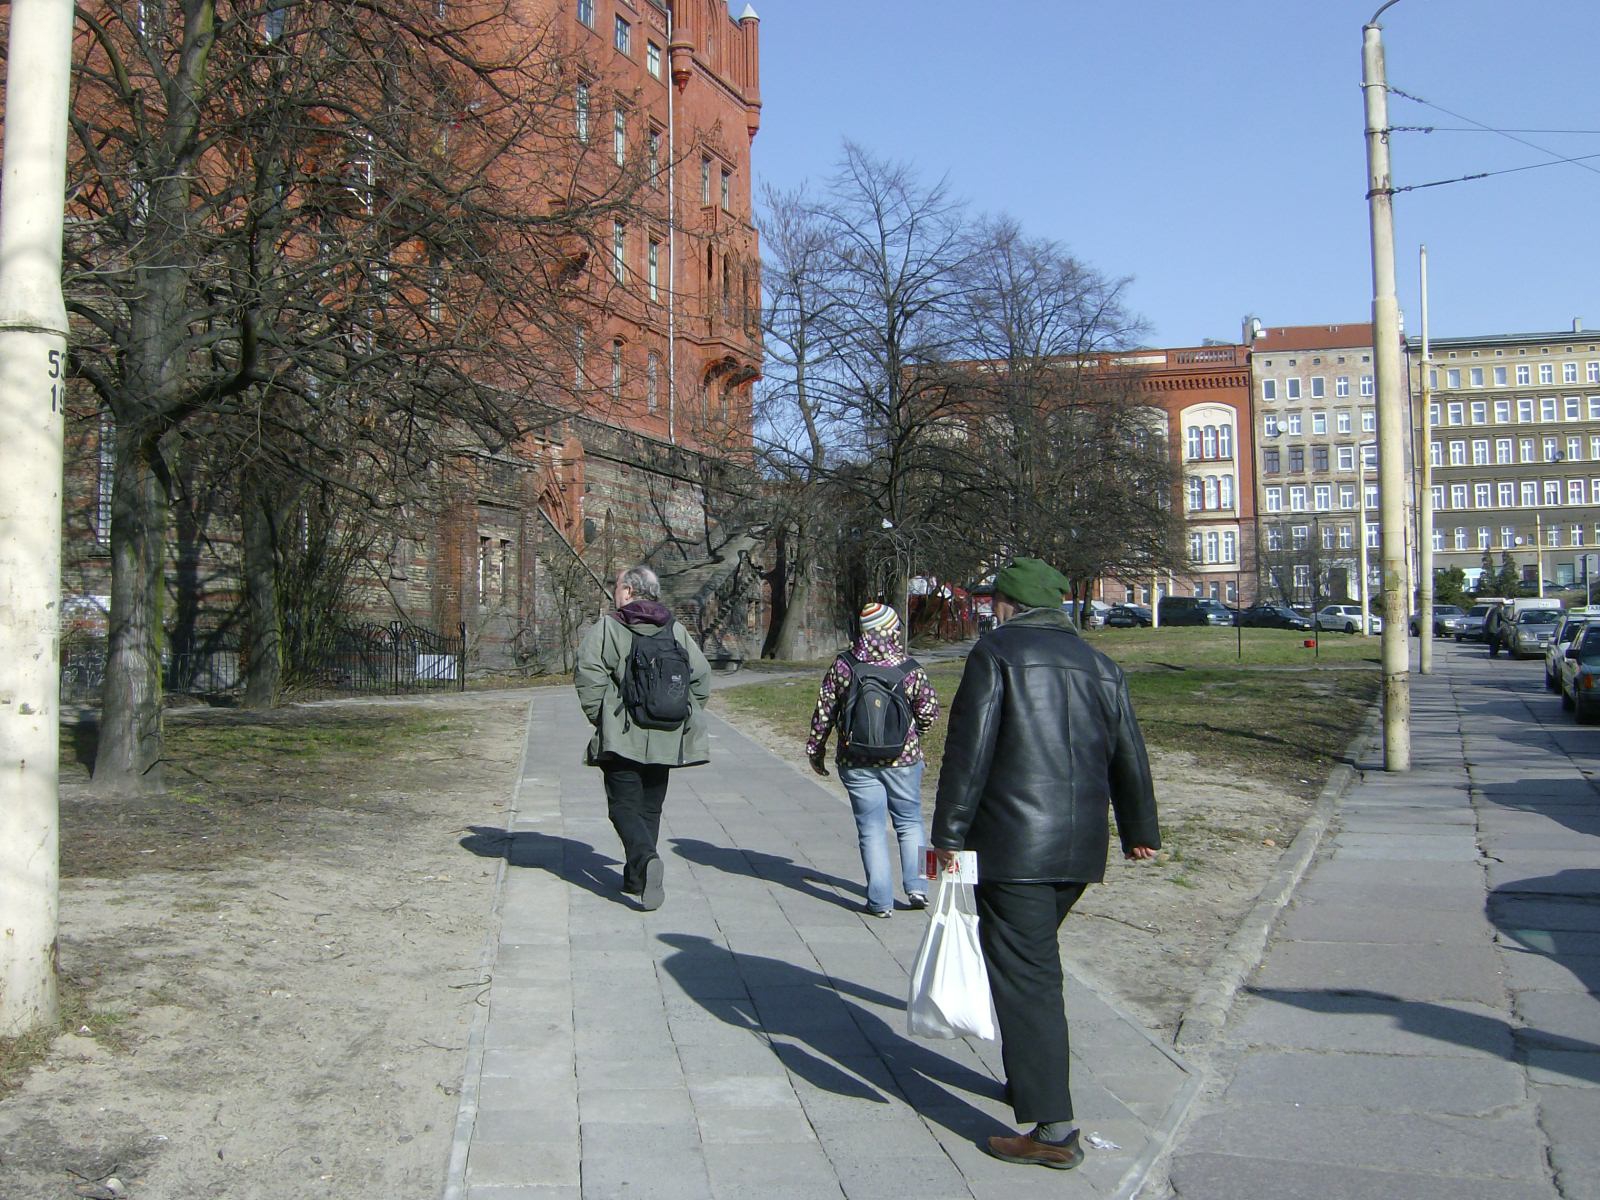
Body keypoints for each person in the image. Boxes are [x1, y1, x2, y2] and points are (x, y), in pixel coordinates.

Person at [930, 556, 1159, 1171]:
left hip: (1012, 849)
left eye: (994, 600)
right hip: (1078, 851)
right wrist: (1141, 829)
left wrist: (946, 834)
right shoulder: (1102, 665)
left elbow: (968, 751)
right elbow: (1128, 753)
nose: (991, 609)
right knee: (1026, 964)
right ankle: (1028, 1080)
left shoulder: (997, 653)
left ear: (1008, 603)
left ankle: (1053, 1129)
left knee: (1029, 977)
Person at [574, 564, 712, 911]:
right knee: (650, 807)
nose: (615, 594)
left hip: (622, 736)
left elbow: (588, 673)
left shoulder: (610, 627)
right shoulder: (675, 630)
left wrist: (601, 716)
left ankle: (646, 860)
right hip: (666, 734)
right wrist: (679, 711)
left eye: (618, 588)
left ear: (630, 592)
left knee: (622, 805)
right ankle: (637, 878)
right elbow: (702, 676)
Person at [806, 602, 940, 917]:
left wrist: (817, 748)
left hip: (856, 760)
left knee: (871, 829)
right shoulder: (909, 667)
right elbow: (929, 711)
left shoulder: (844, 665)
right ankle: (919, 886)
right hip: (903, 760)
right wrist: (912, 736)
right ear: (891, 630)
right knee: (911, 822)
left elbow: (824, 711)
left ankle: (879, 902)